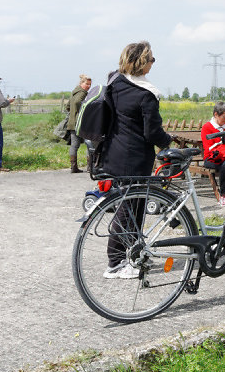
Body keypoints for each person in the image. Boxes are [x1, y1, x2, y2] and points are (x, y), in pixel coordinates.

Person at [98, 41, 172, 279]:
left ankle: (130, 257)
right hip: (135, 157)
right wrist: (168, 141)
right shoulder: (146, 93)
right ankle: (116, 263)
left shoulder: (115, 82)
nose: (153, 63)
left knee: (131, 206)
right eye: (152, 59)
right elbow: (152, 133)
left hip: (113, 152)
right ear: (142, 62)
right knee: (130, 208)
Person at [65, 74, 92, 173]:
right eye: (87, 84)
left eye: (90, 84)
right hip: (81, 123)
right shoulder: (82, 93)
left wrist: (73, 113)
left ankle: (74, 167)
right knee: (90, 143)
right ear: (81, 83)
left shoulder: (74, 92)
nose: (88, 86)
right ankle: (90, 167)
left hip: (72, 123)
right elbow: (77, 102)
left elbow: (68, 106)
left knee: (74, 145)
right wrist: (82, 112)